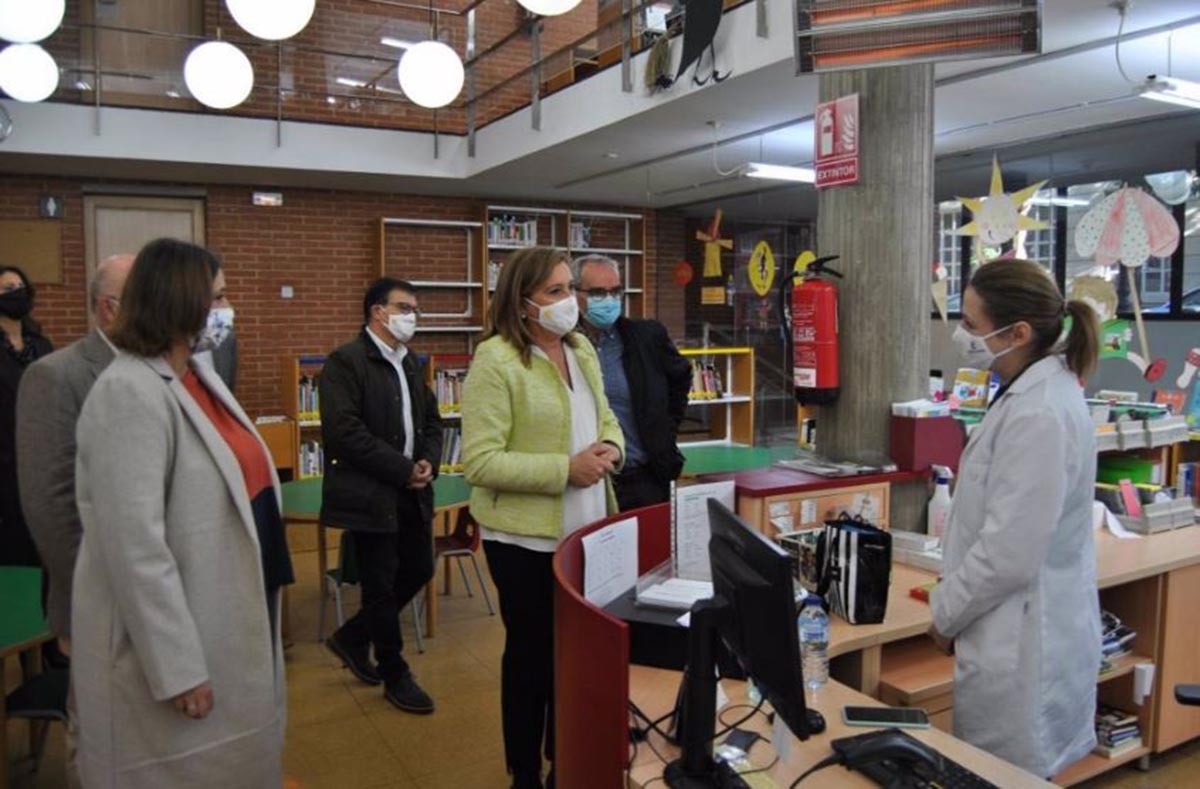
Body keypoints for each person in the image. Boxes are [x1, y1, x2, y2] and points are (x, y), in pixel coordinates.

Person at [72, 238, 292, 788]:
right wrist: (178, 669)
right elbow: (134, 549)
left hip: (226, 603)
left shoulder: (198, 373)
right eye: (216, 298)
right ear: (179, 301)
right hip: (178, 635)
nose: (226, 310)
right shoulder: (128, 391)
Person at [929, 259, 1102, 779]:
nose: (963, 335)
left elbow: (1009, 555)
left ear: (1018, 333)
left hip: (1025, 640)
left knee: (1004, 773)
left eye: (972, 325)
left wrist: (945, 615)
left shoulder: (1040, 412)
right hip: (1016, 625)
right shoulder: (1028, 394)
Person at [462, 246, 625, 789]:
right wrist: (565, 469)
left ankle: (567, 759)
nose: (569, 302)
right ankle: (526, 773)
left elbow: (605, 417)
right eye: (553, 292)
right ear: (521, 300)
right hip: (525, 542)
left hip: (587, 530)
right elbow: (480, 462)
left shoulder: (581, 348)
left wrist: (611, 450)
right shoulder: (496, 359)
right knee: (532, 660)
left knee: (576, 657)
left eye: (568, 289)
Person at [16, 253, 134, 786]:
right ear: (110, 308)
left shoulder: (159, 372)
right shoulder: (55, 377)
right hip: (95, 602)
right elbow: (52, 505)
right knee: (99, 741)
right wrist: (99, 593)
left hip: (152, 599)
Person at [319, 277, 443, 714]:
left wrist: (427, 460)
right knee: (379, 585)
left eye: (415, 309)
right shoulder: (345, 362)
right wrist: (402, 469)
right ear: (377, 311)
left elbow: (432, 420)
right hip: (371, 495)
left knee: (419, 567)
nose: (413, 316)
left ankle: (353, 637)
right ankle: (395, 672)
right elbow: (343, 432)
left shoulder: (409, 362)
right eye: (404, 307)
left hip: (412, 491)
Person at [573, 254, 691, 510]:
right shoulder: (563, 344)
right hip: (585, 483)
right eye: (597, 293)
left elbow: (680, 378)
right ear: (575, 294)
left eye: (615, 291)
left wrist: (665, 430)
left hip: (643, 477)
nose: (608, 300)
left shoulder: (645, 337)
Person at [0, 265, 53, 567]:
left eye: (20, 286)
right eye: (8, 289)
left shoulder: (40, 345)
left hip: (41, 454)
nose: (17, 293)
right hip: (7, 456)